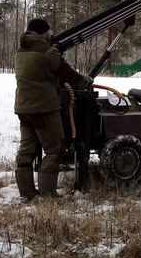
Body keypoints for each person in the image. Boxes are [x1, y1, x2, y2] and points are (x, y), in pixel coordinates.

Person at [14, 18, 90, 200]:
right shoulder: (48, 52)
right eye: (49, 31)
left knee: (27, 149)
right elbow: (66, 73)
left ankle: (27, 193)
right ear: (42, 33)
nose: (52, 34)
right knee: (54, 149)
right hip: (44, 108)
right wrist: (85, 81)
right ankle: (49, 195)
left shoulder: (21, 51)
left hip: (23, 108)